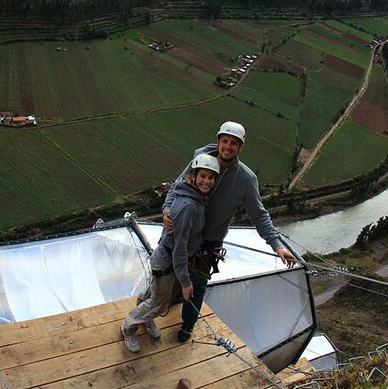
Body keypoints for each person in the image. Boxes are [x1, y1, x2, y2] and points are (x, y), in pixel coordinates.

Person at [162, 121, 297, 343]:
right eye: (224, 141)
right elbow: (178, 186)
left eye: (234, 143)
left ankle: (187, 324)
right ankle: (168, 301)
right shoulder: (201, 160)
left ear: (240, 148)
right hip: (181, 231)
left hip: (207, 243)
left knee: (196, 286)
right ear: (218, 141)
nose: (227, 147)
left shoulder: (245, 179)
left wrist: (277, 245)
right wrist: (167, 210)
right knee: (166, 274)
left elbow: (259, 215)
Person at [120, 154, 220, 353]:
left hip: (163, 258)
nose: (206, 181)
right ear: (194, 176)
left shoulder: (192, 196)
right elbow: (180, 246)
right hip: (168, 261)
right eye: (203, 176)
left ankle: (144, 319)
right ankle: (129, 327)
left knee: (153, 293)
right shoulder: (190, 206)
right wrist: (185, 282)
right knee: (158, 302)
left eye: (211, 177)